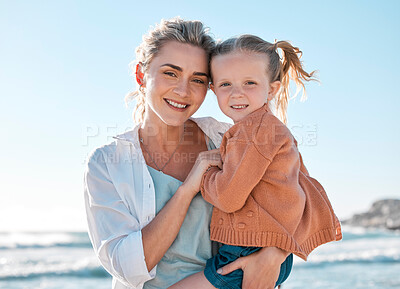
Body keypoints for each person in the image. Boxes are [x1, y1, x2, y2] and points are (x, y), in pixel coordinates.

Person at [84, 18, 295, 289]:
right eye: (171, 73)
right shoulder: (107, 164)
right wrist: (187, 190)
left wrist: (274, 255)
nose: (183, 91)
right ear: (141, 76)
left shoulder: (227, 140)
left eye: (197, 79)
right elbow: (129, 268)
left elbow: (292, 199)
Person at [168, 35, 342, 289]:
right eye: (226, 84)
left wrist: (204, 174)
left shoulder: (252, 132)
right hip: (267, 249)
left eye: (249, 82)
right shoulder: (270, 129)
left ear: (271, 89)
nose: (237, 93)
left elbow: (228, 197)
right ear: (213, 89)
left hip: (247, 251)